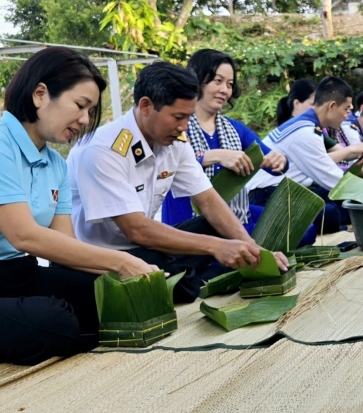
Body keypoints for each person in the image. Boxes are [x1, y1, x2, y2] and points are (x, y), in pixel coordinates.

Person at [68, 62, 287, 305]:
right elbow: (136, 229)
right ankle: (184, 276)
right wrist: (216, 247)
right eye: (178, 117)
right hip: (107, 255)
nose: (183, 127)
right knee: (183, 285)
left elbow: (209, 200)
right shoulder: (104, 150)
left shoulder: (175, 143)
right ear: (146, 106)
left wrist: (255, 250)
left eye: (188, 118)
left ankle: (185, 273)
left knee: (216, 227)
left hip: (148, 246)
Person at [0, 47, 159, 365]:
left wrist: (134, 272)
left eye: (90, 111)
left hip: (21, 273)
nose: (85, 120)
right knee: (57, 322)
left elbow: (66, 247)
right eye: (80, 106)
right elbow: (25, 237)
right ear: (40, 94)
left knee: (101, 298)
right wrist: (120, 263)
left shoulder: (56, 164)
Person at [162, 49, 288, 234]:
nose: (224, 90)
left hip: (235, 216)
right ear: (197, 80)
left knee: (304, 228)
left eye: (229, 84)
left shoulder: (234, 128)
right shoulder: (177, 125)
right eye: (217, 81)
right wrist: (213, 156)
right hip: (188, 223)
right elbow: (167, 166)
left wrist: (280, 161)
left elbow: (273, 164)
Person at [247, 77, 363, 234]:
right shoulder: (305, 133)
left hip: (287, 191)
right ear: (331, 106)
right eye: (346, 109)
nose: (347, 115)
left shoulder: (310, 127)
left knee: (335, 206)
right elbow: (336, 182)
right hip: (267, 196)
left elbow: (330, 171)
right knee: (330, 214)